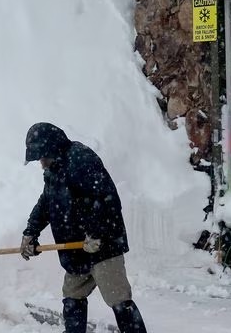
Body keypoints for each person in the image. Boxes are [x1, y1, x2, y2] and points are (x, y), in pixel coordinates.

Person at [19, 122, 147, 333]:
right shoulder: (54, 168)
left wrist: (95, 234)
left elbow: (105, 200)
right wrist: (30, 232)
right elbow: (47, 202)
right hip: (76, 247)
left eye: (42, 157)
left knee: (118, 299)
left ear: (52, 148)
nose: (41, 164)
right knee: (72, 295)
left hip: (103, 246)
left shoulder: (81, 160)